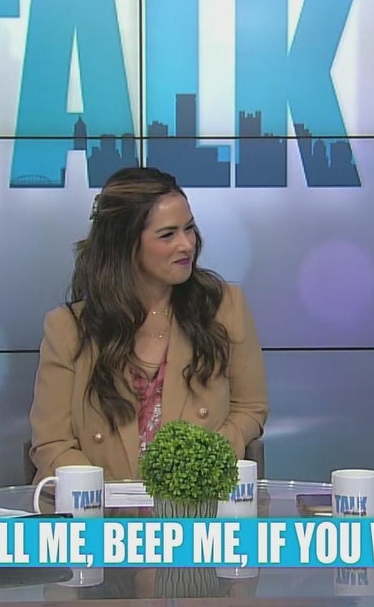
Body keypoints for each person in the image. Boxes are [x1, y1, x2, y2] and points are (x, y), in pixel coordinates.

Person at [30, 167, 268, 482]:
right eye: (168, 234)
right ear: (125, 243)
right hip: (100, 508)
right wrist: (99, 495)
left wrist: (208, 457)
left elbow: (250, 407)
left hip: (196, 504)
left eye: (189, 228)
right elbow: (53, 442)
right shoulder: (68, 328)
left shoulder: (224, 307)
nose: (187, 244)